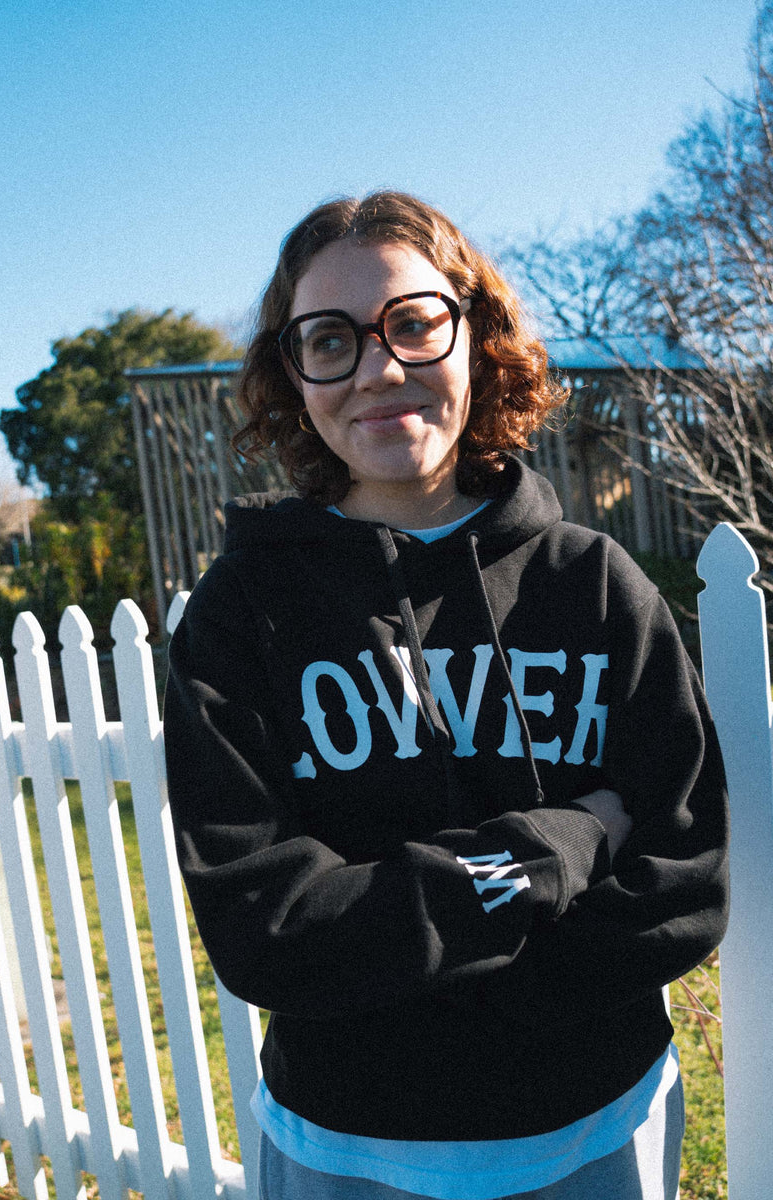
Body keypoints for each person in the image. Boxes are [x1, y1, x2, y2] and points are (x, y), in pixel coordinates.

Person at [163, 191, 729, 1199]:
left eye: (415, 323)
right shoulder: (242, 615)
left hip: (595, 1130)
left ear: (476, 335)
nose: (379, 368)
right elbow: (267, 928)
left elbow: (684, 870)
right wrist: (563, 844)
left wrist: (450, 985)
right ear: (293, 377)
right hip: (346, 1150)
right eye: (329, 340)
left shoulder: (592, 585)